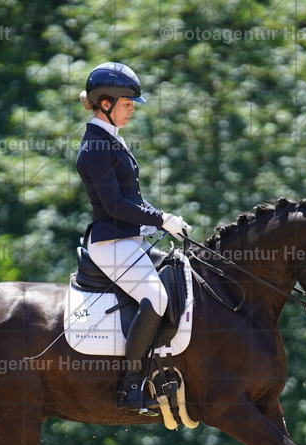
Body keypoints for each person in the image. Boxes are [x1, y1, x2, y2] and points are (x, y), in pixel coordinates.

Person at [75, 62, 191, 415]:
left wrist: (164, 219)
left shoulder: (111, 139)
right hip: (109, 243)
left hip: (128, 239)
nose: (132, 110)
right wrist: (159, 219)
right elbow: (114, 205)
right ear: (105, 103)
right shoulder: (95, 146)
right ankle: (129, 388)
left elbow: (134, 200)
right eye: (127, 104)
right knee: (154, 298)